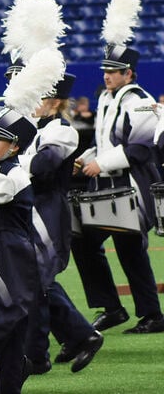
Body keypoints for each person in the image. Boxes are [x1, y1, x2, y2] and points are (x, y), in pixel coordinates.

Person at [71, 44, 164, 333]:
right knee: (123, 249)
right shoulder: (109, 99)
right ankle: (143, 313)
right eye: (106, 70)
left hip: (132, 187)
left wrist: (102, 163)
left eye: (113, 71)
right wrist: (86, 158)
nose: (108, 75)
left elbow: (141, 148)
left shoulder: (138, 100)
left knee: (106, 245)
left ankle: (120, 309)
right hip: (110, 187)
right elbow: (104, 143)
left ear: (129, 73)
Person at [20, 75, 103, 374]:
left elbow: (42, 168)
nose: (32, 104)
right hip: (31, 207)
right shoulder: (35, 128)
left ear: (54, 102)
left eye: (39, 98)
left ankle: (40, 354)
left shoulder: (63, 131)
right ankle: (79, 336)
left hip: (48, 210)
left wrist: (9, 161)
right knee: (36, 281)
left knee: (37, 281)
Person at [0, 108, 39, 394]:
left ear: (15, 146)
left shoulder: (12, 175)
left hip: (11, 258)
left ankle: (10, 383)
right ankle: (19, 366)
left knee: (7, 326)